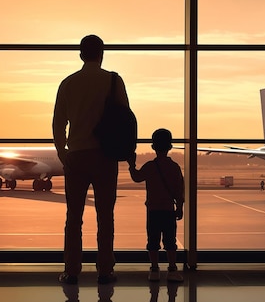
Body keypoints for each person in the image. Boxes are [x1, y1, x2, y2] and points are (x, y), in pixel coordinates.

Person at [53, 34, 130, 285]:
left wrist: (63, 153)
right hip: (105, 157)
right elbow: (125, 119)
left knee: (73, 217)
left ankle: (72, 270)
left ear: (80, 54)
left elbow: (58, 123)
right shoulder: (113, 81)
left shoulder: (68, 83)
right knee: (105, 216)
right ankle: (105, 270)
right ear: (102, 53)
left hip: (76, 156)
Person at [127, 128, 184, 282]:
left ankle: (154, 269)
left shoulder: (150, 166)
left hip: (153, 210)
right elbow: (179, 190)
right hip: (168, 210)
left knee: (153, 241)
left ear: (153, 147)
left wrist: (131, 165)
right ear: (170, 147)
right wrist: (179, 207)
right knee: (170, 241)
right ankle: (172, 270)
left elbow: (137, 177)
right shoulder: (174, 168)